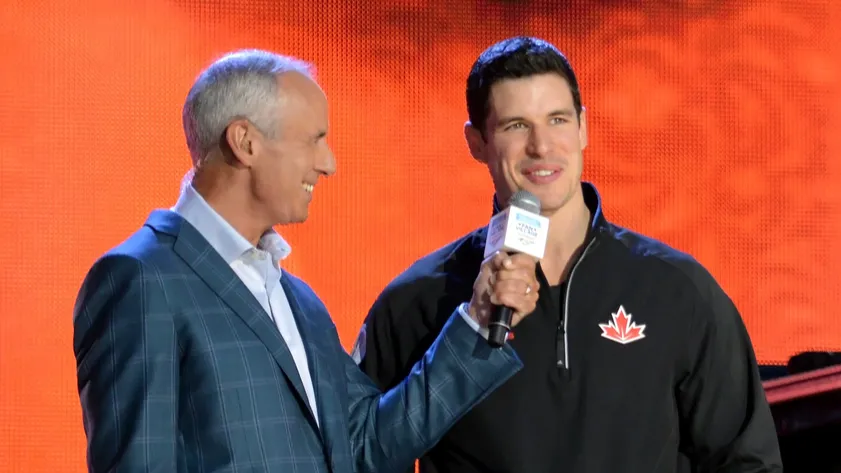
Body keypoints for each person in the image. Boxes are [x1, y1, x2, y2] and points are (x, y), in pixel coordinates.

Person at [71, 49, 542, 473]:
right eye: (312, 140)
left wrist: (479, 321)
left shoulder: (301, 304)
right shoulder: (142, 279)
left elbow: (367, 446)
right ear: (245, 142)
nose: (329, 163)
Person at [354, 36, 783, 473]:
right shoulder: (419, 300)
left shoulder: (676, 289)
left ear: (582, 128)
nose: (542, 146)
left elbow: (747, 461)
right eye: (515, 126)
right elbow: (358, 454)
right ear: (476, 142)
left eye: (557, 119)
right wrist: (466, 331)